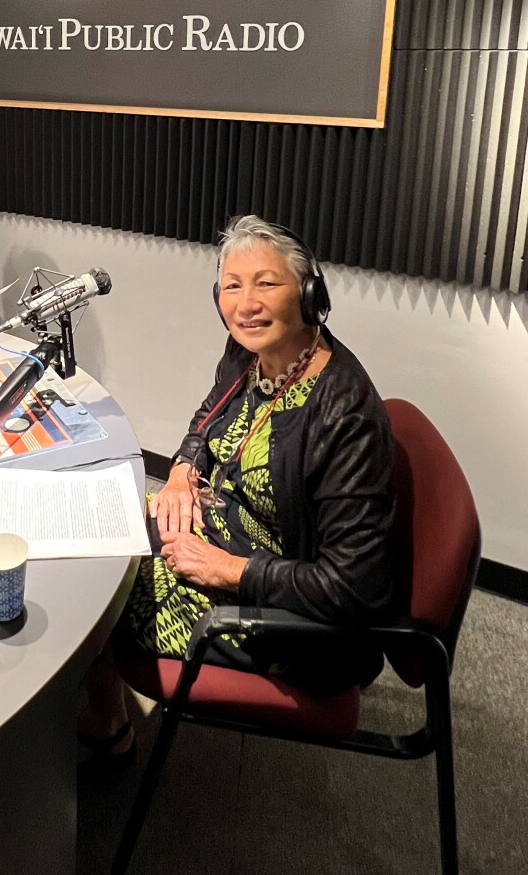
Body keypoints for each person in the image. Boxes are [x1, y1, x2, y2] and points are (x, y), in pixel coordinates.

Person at [78, 214, 396, 768]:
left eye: (267, 283)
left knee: (94, 591)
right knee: (94, 526)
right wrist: (181, 471)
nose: (246, 303)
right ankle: (107, 715)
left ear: (309, 294)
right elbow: (210, 415)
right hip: (225, 528)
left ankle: (106, 733)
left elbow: (354, 589)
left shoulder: (344, 413)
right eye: (232, 285)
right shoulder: (248, 351)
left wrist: (225, 569)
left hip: (296, 618)